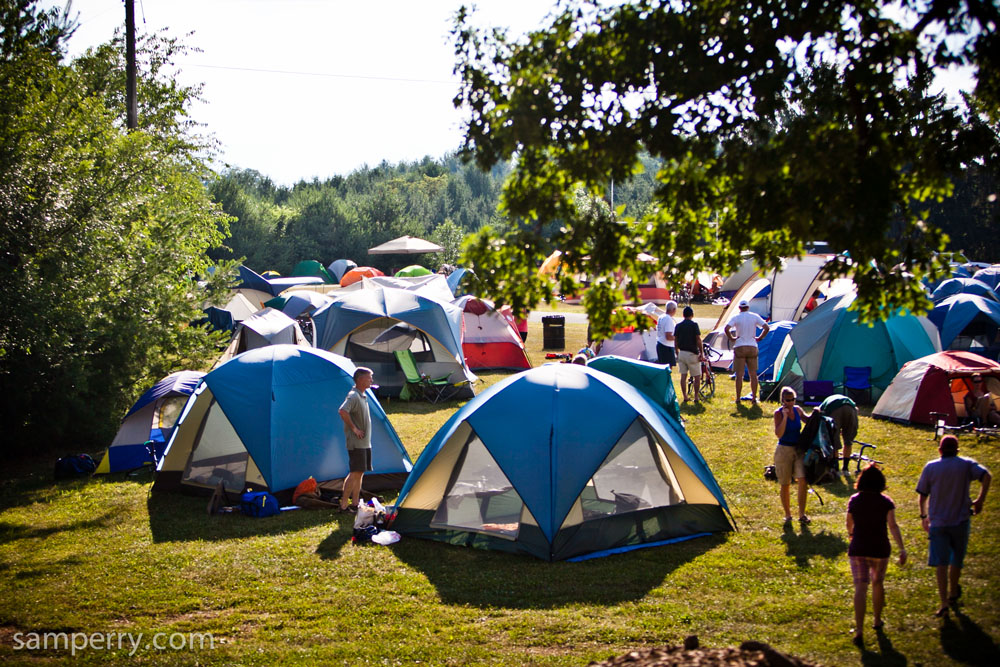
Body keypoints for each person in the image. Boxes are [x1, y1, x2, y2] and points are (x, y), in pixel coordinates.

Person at [916, 435, 991, 617]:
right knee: (957, 559)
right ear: (957, 450)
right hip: (960, 520)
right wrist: (980, 501)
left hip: (938, 522)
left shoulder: (931, 467)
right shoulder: (966, 465)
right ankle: (952, 593)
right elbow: (986, 476)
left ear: (940, 450)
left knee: (941, 563)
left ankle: (943, 602)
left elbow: (922, 495)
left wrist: (924, 515)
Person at [846, 465, 907, 645]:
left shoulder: (854, 500)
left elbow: (849, 523)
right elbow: (893, 526)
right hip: (880, 548)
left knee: (860, 587)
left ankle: (859, 630)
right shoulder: (886, 502)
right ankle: (877, 620)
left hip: (858, 547)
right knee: (877, 583)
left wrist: (851, 535)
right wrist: (902, 548)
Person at [338, 367, 375, 514]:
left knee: (359, 472)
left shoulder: (362, 395)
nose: (371, 380)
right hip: (356, 442)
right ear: (360, 379)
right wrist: (354, 429)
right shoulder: (353, 396)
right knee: (354, 473)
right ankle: (343, 506)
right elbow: (342, 411)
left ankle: (355, 503)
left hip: (364, 442)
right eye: (369, 377)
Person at [774, 386, 811, 524]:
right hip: (784, 450)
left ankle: (802, 514)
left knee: (802, 479)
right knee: (785, 483)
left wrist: (817, 413)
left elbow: (807, 420)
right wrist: (784, 417)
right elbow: (779, 433)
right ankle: (788, 514)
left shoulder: (798, 410)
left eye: (793, 400)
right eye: (788, 400)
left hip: (798, 450)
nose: (790, 403)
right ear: (782, 400)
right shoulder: (778, 413)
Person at [724, 299, 770, 405]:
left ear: (739, 308)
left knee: (739, 375)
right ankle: (754, 397)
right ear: (748, 307)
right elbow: (766, 327)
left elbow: (727, 328)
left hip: (740, 346)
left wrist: (732, 338)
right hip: (752, 346)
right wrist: (760, 338)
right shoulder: (754, 316)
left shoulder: (736, 317)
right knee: (753, 374)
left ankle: (738, 398)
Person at [819, 393, 859, 472]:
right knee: (848, 441)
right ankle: (845, 468)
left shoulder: (823, 406)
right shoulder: (845, 399)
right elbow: (856, 409)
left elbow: (822, 417)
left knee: (834, 440)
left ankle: (835, 467)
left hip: (834, 409)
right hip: (851, 407)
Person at [674, 306, 705, 403]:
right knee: (696, 376)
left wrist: (677, 352)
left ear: (683, 315)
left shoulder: (678, 326)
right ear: (692, 315)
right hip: (692, 353)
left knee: (683, 376)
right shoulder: (694, 325)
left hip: (682, 353)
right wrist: (701, 353)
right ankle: (696, 396)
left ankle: (685, 396)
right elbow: (698, 339)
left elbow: (675, 341)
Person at [656, 301, 678, 366]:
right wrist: (677, 338)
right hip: (666, 346)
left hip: (660, 343)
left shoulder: (661, 317)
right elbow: (668, 336)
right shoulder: (668, 319)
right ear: (673, 309)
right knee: (668, 368)